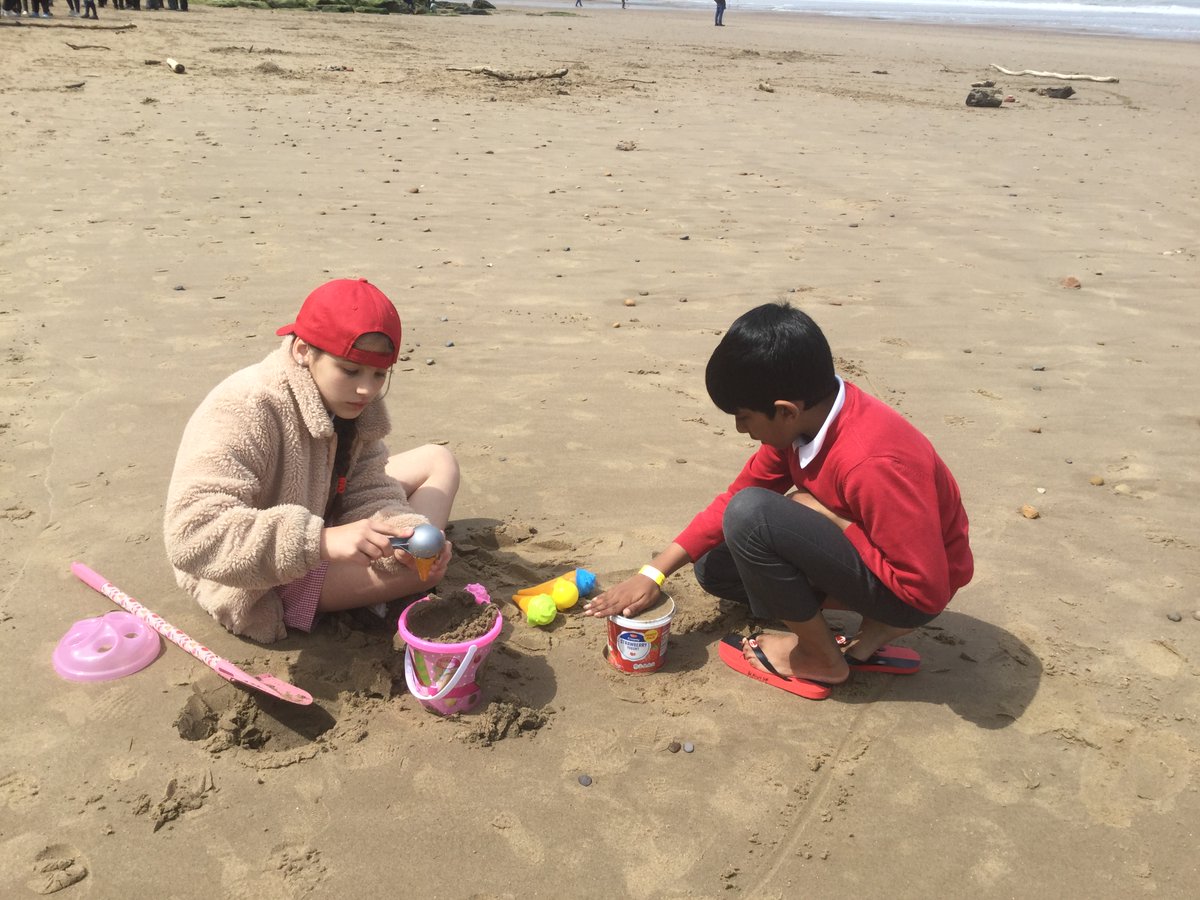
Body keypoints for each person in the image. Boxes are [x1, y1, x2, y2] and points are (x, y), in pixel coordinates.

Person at [584, 302, 973, 694]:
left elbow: (927, 590)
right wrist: (654, 573)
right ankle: (870, 628)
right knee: (714, 567)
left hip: (913, 593)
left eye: (744, 417)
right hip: (876, 557)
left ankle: (819, 655)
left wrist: (832, 519)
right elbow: (734, 495)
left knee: (752, 516)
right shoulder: (807, 418)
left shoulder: (871, 462)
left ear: (785, 411)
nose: (740, 429)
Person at [164, 278, 461, 644]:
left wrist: (405, 534)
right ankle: (364, 591)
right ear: (304, 350)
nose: (367, 389)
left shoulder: (355, 407)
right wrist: (319, 541)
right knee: (425, 575)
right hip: (258, 571)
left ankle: (386, 570)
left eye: (379, 374)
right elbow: (192, 535)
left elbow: (367, 485)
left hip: (321, 510)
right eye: (350, 371)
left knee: (437, 460)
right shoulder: (246, 408)